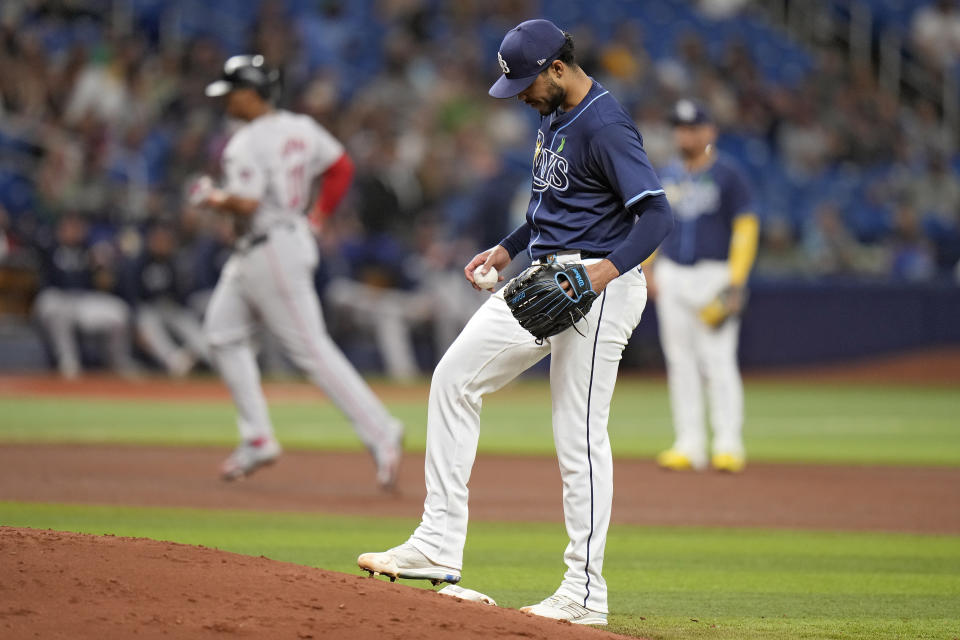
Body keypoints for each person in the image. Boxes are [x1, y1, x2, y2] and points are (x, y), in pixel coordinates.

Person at [358, 20, 674, 625]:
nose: (523, 94)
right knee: (453, 379)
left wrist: (601, 275)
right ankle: (435, 544)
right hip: (544, 275)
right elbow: (551, 206)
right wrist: (506, 249)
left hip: (600, 285)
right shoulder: (552, 114)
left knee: (577, 436)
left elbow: (657, 219)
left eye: (529, 82)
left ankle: (584, 593)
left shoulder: (606, 124)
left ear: (558, 68)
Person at [193, 55, 403, 487]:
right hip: (271, 245)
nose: (226, 101)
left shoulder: (244, 142)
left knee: (311, 351)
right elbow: (341, 166)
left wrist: (212, 197)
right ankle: (256, 438)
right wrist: (320, 213)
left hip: (271, 248)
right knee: (222, 333)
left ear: (251, 94)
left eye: (231, 93)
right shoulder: (300, 128)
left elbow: (248, 203)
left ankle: (382, 430)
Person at [648, 100, 759, 473]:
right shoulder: (667, 174)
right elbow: (652, 226)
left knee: (718, 360)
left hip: (715, 274)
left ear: (709, 131)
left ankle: (728, 443)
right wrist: (647, 268)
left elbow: (746, 227)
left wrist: (737, 281)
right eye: (680, 128)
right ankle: (689, 443)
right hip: (673, 273)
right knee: (680, 362)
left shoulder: (729, 174)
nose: (685, 134)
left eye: (692, 128)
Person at [34, 214, 138, 379]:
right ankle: (68, 363)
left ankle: (119, 362)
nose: (74, 231)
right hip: (56, 297)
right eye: (70, 226)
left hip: (82, 300)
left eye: (78, 227)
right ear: (60, 229)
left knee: (119, 311)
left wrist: (101, 267)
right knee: (55, 310)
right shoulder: (48, 246)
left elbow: (103, 282)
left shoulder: (88, 250)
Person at [121, 221, 211, 377]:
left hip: (170, 307)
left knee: (188, 324)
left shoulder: (174, 261)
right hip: (147, 309)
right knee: (148, 323)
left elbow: (183, 297)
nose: (161, 243)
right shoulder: (138, 263)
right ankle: (176, 361)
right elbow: (132, 298)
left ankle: (209, 356)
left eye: (165, 240)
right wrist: (134, 325)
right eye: (158, 239)